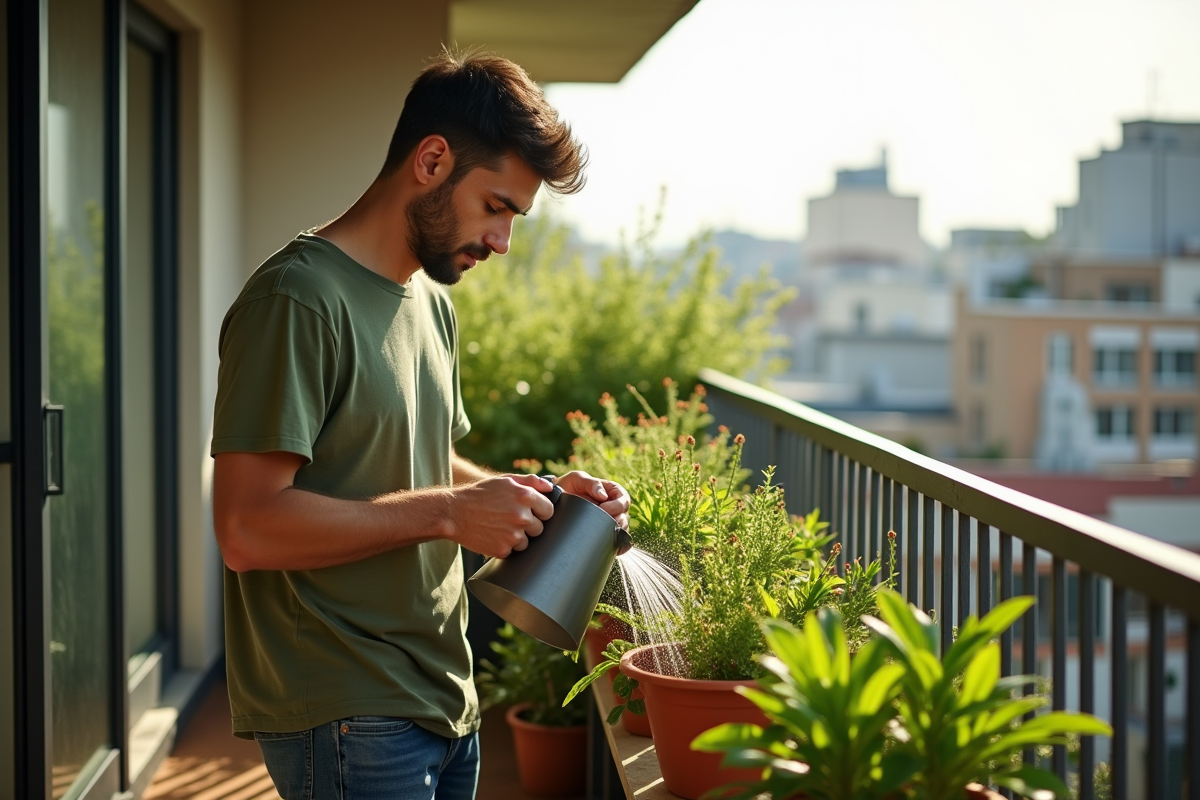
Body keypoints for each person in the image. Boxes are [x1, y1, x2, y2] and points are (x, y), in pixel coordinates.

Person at [210, 49, 630, 800]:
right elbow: (246, 528)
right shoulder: (297, 301)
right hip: (347, 708)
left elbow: (424, 462)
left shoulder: (429, 302)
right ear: (432, 161)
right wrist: (447, 514)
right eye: (496, 206)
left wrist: (536, 495)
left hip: (441, 690)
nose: (502, 242)